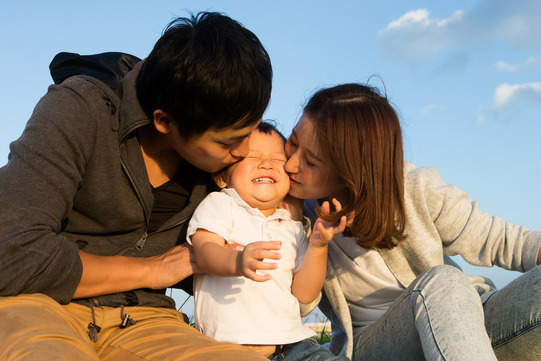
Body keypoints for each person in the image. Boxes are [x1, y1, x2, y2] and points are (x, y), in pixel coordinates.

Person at [0, 12, 273, 361]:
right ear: (164, 121)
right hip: (36, 304)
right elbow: (11, 252)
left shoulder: (225, 166)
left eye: (251, 131)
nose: (245, 151)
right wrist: (153, 269)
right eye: (228, 143)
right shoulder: (81, 109)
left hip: (147, 320)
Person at [284, 83, 541, 361]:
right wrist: (316, 245)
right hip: (379, 346)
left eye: (309, 162)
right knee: (443, 282)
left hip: (462, 325)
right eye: (294, 142)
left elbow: (498, 239)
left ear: (350, 170)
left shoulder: (414, 188)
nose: (290, 165)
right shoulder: (293, 213)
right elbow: (299, 304)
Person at [187, 122, 349, 360]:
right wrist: (237, 260)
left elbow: (304, 294)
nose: (266, 164)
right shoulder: (221, 204)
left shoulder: (292, 226)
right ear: (222, 176)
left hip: (292, 347)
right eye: (252, 157)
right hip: (226, 349)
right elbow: (204, 251)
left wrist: (318, 245)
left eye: (277, 159)